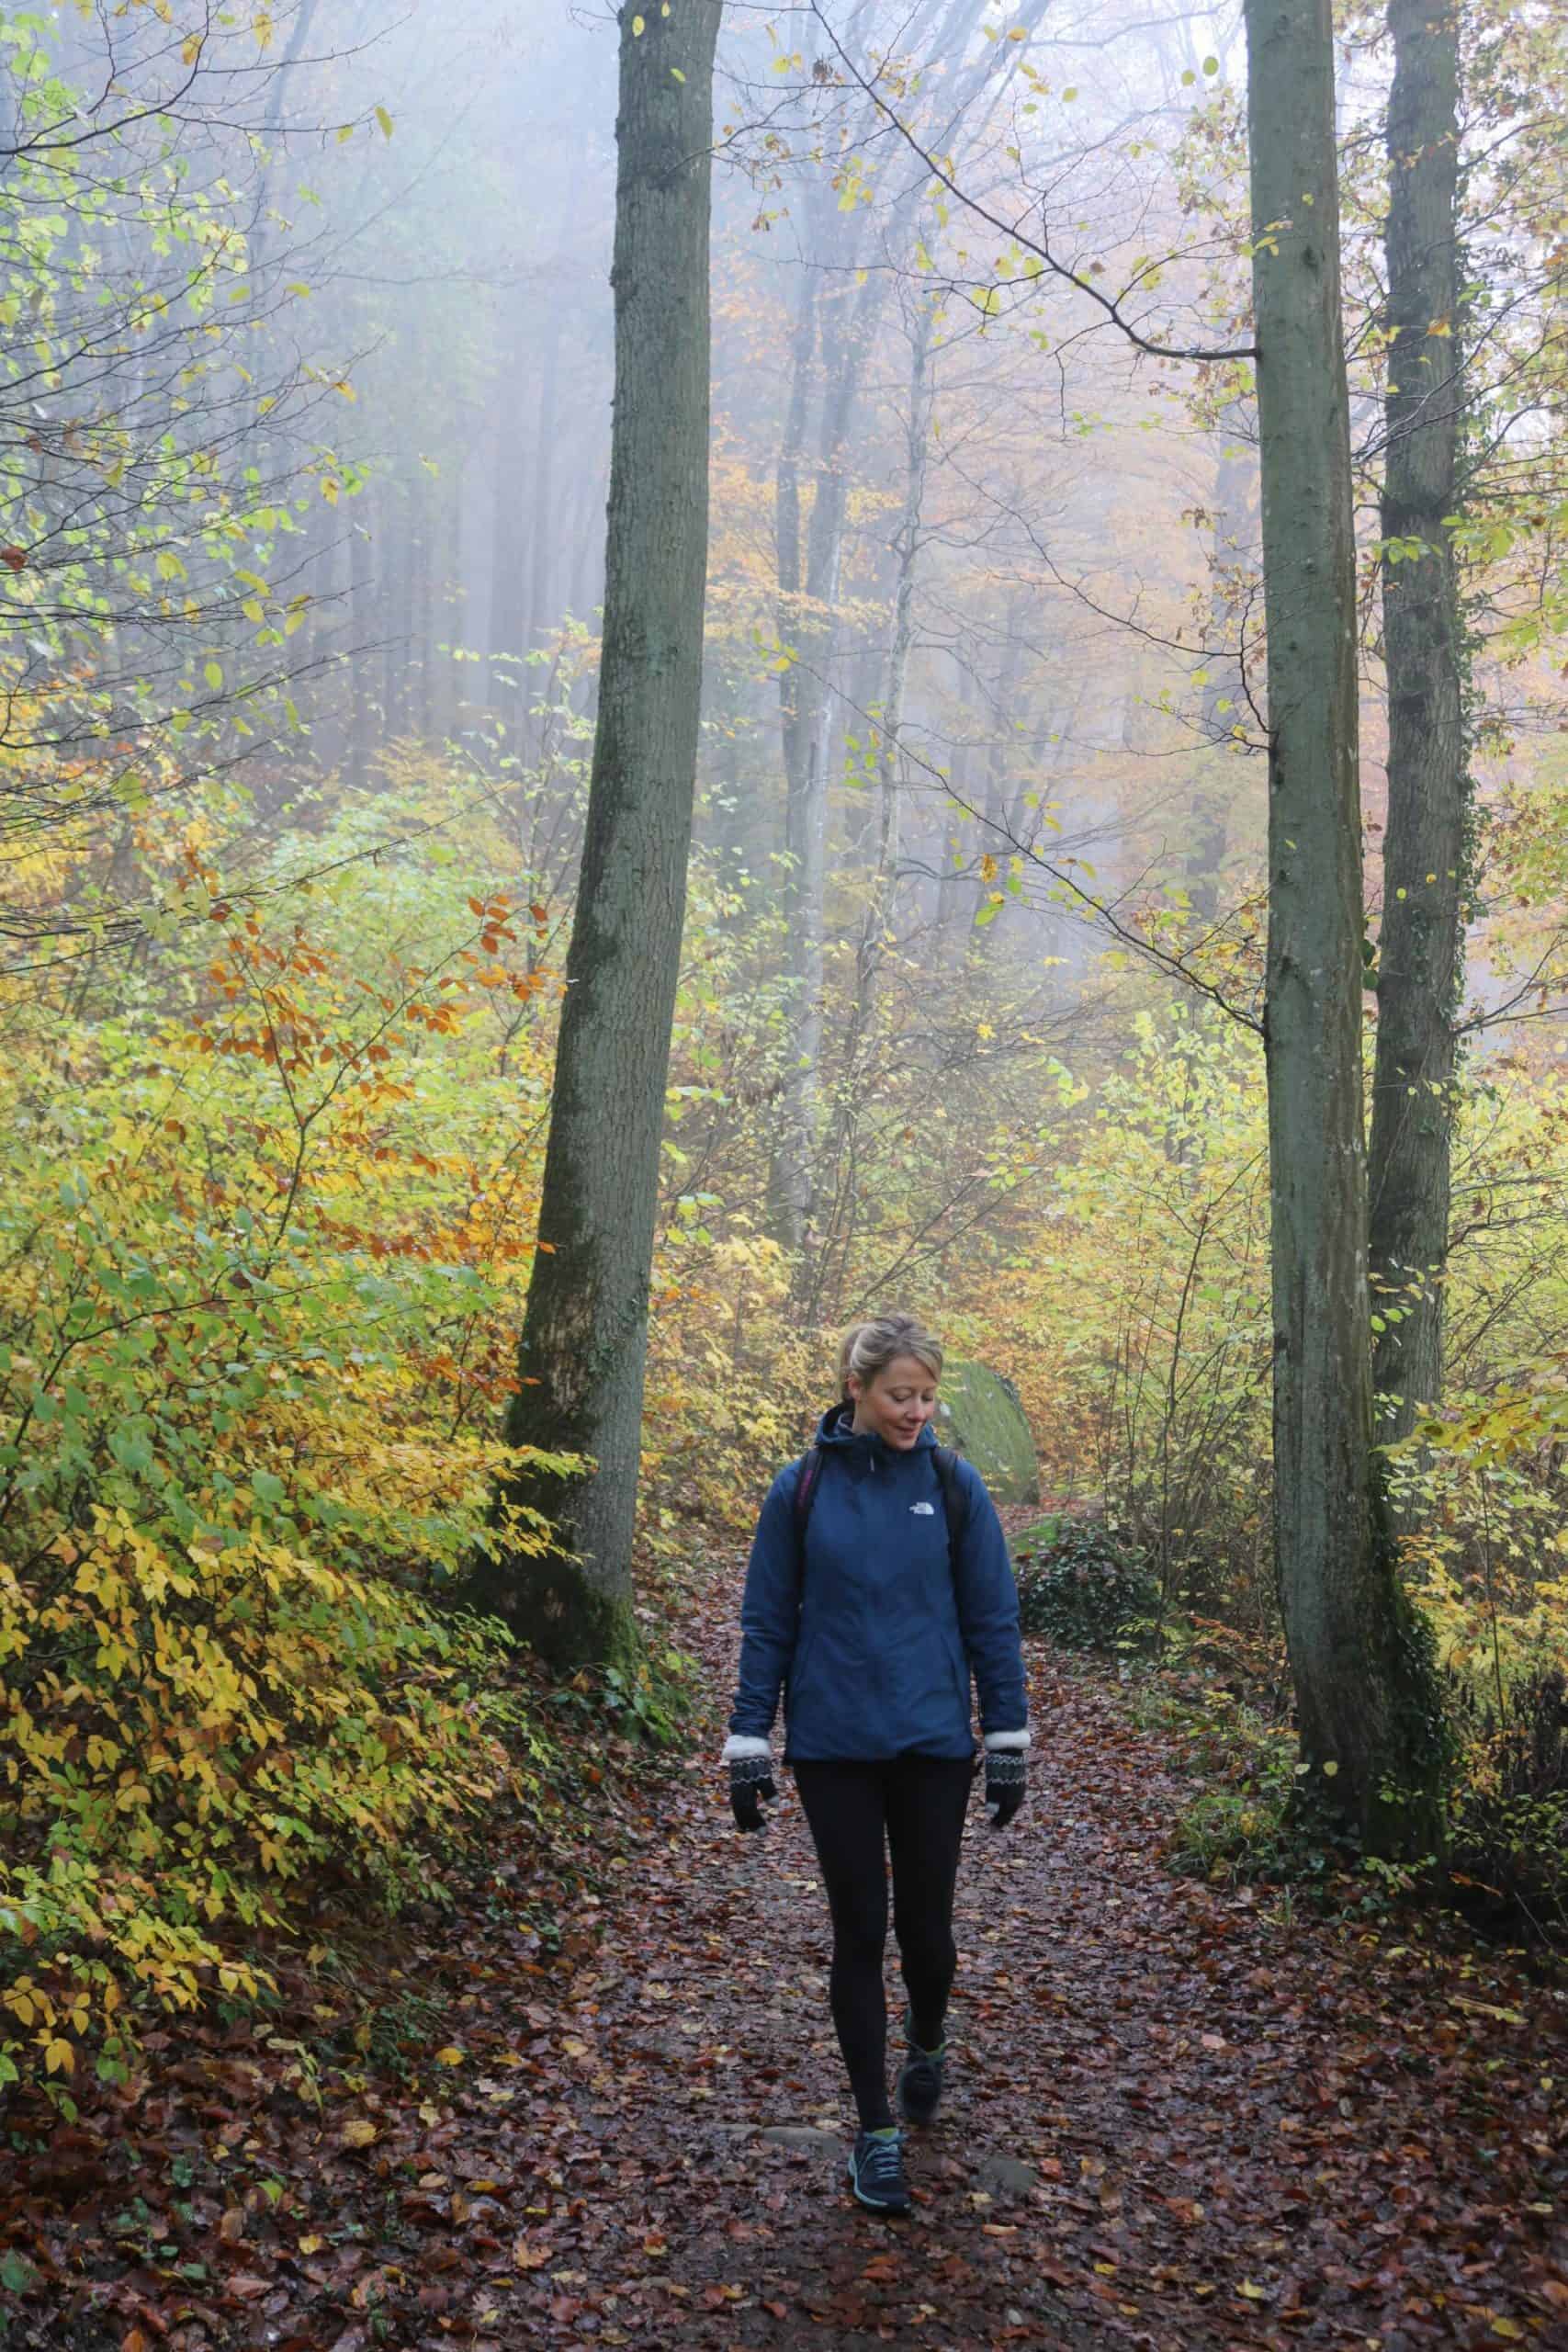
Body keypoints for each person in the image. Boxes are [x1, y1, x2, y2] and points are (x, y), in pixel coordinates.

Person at [722, 1313, 1030, 2216]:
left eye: (929, 1396)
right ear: (855, 1388)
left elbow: (992, 1618)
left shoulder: (952, 1483)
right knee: (860, 1927)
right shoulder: (803, 1488)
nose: (918, 1411)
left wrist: (1006, 1738)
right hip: (833, 1744)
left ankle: (927, 2039)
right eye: (902, 1394)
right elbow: (768, 1617)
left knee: (925, 1931)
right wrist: (750, 1739)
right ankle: (875, 2131)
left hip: (934, 1742)